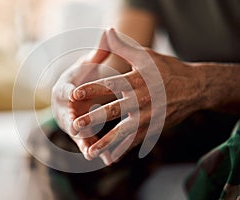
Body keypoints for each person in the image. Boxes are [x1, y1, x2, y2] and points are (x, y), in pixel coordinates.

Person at [49, 0, 240, 199]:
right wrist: (84, 88)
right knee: (57, 141)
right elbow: (121, 56)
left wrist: (201, 83)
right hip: (203, 110)